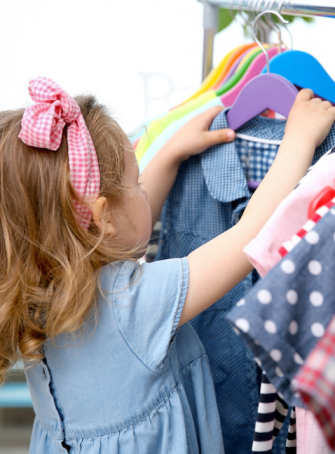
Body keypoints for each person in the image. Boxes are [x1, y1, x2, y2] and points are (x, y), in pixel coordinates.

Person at [0, 77, 334, 454]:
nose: (144, 190)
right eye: (137, 184)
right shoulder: (133, 305)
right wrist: (300, 142)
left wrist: (170, 154)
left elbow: (122, 231)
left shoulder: (34, 293)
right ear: (102, 217)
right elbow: (250, 235)